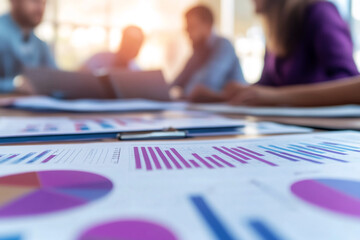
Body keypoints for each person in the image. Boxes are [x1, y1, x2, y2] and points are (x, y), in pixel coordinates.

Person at [188, 0, 359, 103]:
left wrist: (277, 97)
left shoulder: (320, 13)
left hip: (325, 134)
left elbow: (348, 81)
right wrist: (221, 97)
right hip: (288, 129)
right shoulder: (276, 32)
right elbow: (266, 88)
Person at [172, 5, 245, 99]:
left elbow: (207, 82)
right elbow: (178, 81)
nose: (187, 32)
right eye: (186, 28)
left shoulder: (224, 45)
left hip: (234, 110)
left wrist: (183, 93)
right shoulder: (197, 52)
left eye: (191, 27)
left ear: (208, 25)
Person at [0, 0, 56, 93]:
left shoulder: (39, 44)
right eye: (35, 1)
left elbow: (58, 79)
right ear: (14, 2)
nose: (40, 8)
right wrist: (13, 85)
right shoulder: (2, 34)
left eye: (44, 3)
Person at [226, 76, 360, 107]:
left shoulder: (320, 12)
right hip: (280, 121)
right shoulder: (276, 29)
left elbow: (346, 76)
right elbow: (268, 84)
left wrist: (278, 96)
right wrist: (248, 89)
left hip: (322, 127)